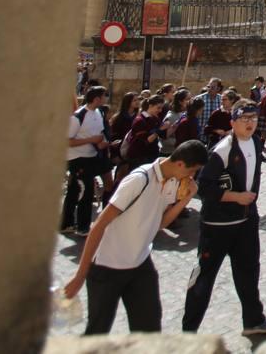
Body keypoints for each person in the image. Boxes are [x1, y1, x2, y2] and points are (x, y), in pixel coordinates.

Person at [64, 140, 207, 333]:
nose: (192, 177)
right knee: (97, 331)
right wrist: (80, 276)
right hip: (108, 266)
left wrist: (186, 198)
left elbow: (160, 223)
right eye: (192, 171)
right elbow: (99, 225)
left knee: (149, 328)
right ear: (180, 164)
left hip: (140, 264)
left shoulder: (173, 181)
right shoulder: (139, 180)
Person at [181, 101, 266, 335]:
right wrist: (234, 197)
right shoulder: (222, 151)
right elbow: (203, 187)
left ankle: (252, 320)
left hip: (246, 220)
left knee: (249, 272)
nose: (250, 123)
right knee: (204, 277)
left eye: (253, 118)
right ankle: (189, 330)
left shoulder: (256, 141)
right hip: (218, 224)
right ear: (233, 123)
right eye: (245, 119)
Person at [64, 86, 110, 236]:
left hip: (92, 157)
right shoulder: (78, 116)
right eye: (104, 96)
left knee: (74, 190)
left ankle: (66, 223)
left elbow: (98, 133)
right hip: (77, 158)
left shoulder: (98, 112)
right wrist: (91, 140)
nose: (106, 99)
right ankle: (83, 226)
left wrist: (101, 143)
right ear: (97, 98)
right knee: (86, 190)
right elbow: (68, 141)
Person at [124, 95, 165, 169]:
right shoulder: (140, 120)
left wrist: (173, 126)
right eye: (158, 108)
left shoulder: (155, 119)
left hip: (151, 154)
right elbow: (147, 140)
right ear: (151, 106)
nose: (160, 110)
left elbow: (164, 136)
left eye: (161, 108)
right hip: (139, 156)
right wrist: (160, 129)